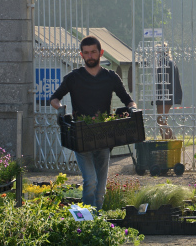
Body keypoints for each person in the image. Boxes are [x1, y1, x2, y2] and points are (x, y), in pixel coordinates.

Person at [49, 35, 137, 210]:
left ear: (101, 53)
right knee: (90, 180)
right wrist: (60, 109)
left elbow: (128, 100)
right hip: (81, 135)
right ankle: (86, 221)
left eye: (93, 52)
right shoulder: (73, 77)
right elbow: (54, 98)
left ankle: (98, 220)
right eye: (86, 53)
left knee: (100, 186)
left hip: (104, 135)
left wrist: (133, 109)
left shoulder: (110, 77)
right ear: (82, 55)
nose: (90, 56)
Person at [155, 44, 182, 139]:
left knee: (161, 121)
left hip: (165, 96)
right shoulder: (167, 62)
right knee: (161, 121)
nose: (156, 53)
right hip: (165, 95)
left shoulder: (166, 63)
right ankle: (172, 141)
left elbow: (164, 80)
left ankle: (168, 142)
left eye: (158, 51)